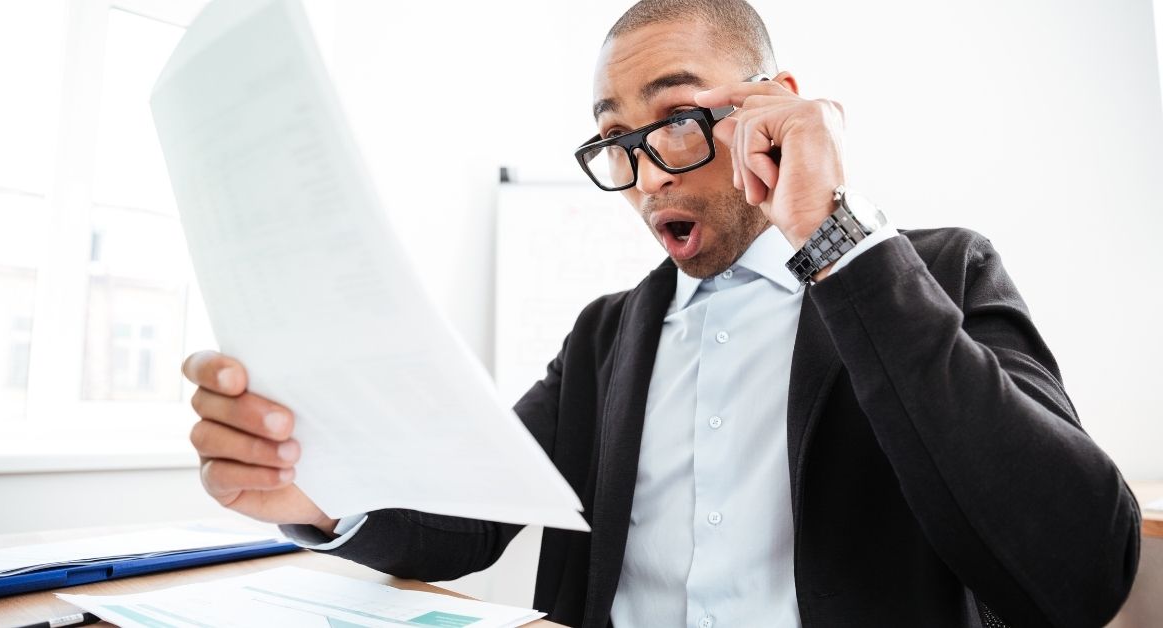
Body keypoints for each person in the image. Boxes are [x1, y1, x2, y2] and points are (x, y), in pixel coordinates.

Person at [180, 1, 1141, 626]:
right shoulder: (607, 335)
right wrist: (315, 496)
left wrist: (836, 237)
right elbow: (469, 520)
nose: (643, 176)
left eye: (676, 119)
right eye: (614, 142)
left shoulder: (935, 271)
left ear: (777, 107)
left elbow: (1078, 570)